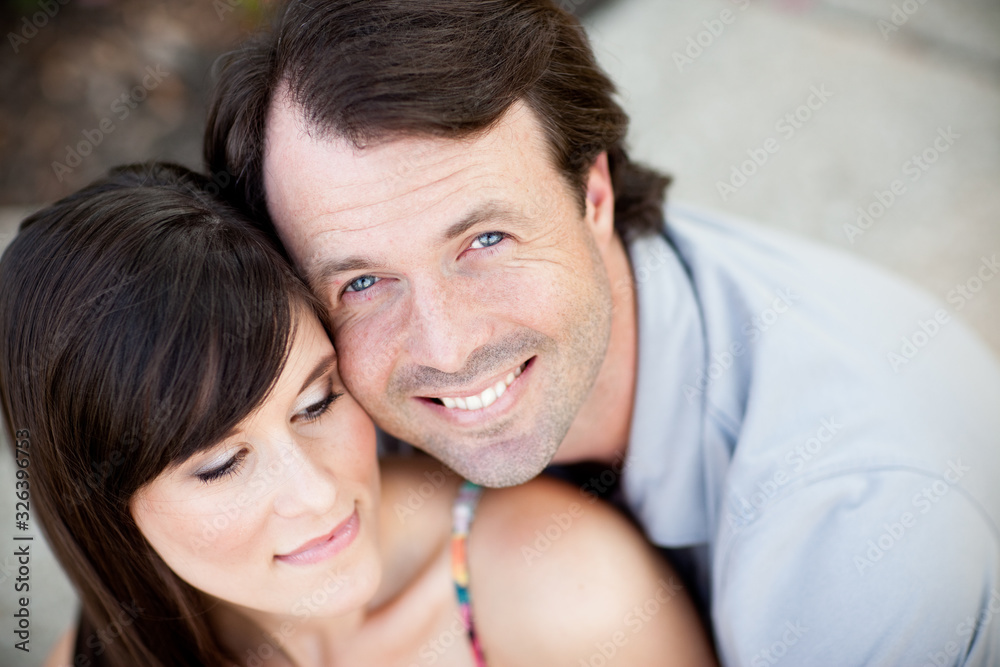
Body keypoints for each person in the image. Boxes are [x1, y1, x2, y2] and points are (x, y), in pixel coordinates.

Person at [203, 0, 1000, 664]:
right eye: (365, 281)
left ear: (593, 195)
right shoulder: (324, 385)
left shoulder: (860, 542)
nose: (444, 348)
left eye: (485, 241)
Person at [0, 163, 715, 667]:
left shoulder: (567, 591)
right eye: (219, 463)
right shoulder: (111, 649)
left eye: (317, 402)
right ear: (98, 505)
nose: (316, 492)